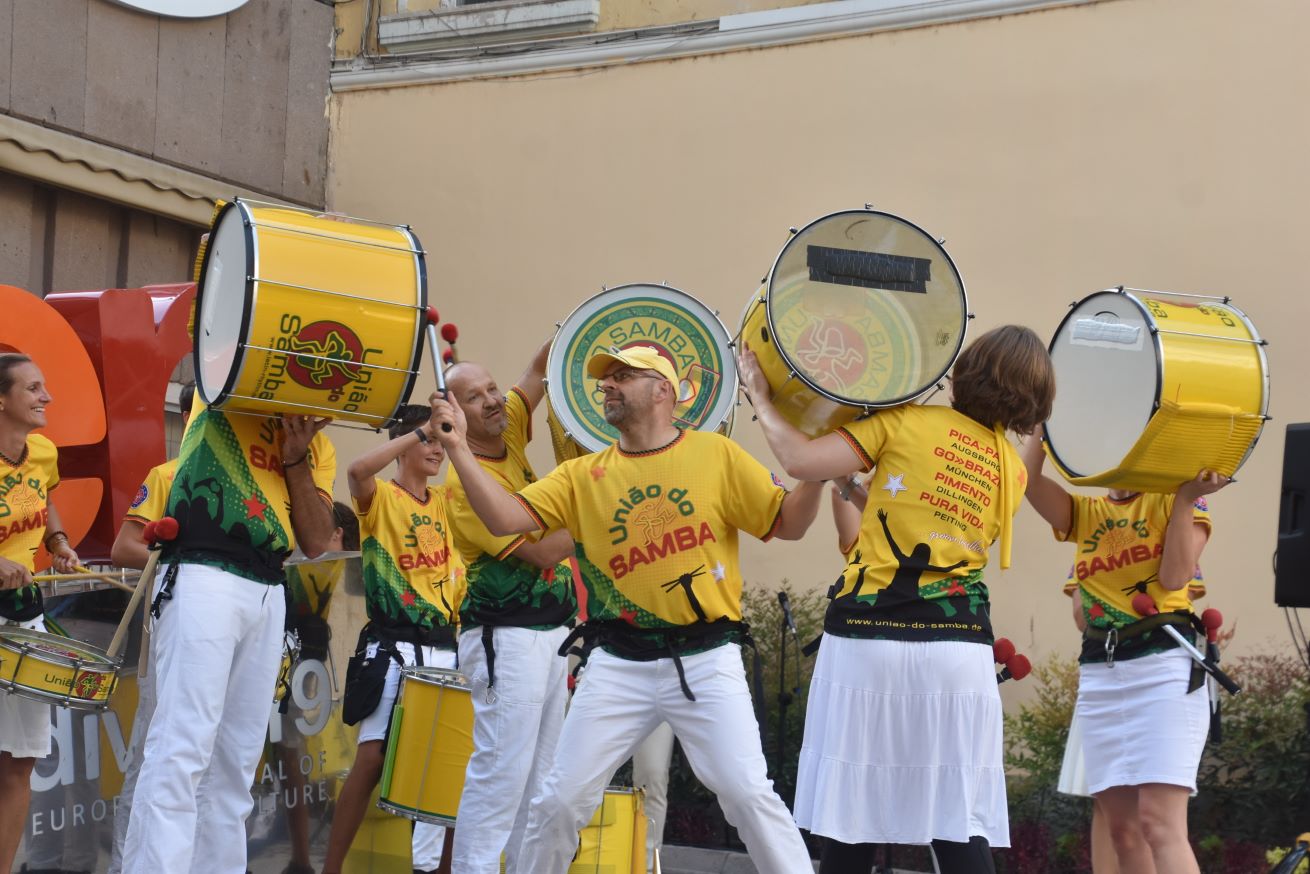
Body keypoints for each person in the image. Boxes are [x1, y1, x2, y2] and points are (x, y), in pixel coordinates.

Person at [430, 344, 824, 874]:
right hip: (616, 663)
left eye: (624, 376)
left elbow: (791, 525)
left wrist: (817, 470)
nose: (608, 386)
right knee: (558, 803)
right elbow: (503, 518)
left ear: (664, 391)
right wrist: (456, 448)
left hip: (706, 657)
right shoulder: (582, 476)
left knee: (748, 795)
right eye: (605, 378)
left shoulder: (717, 455)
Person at [739, 324, 1056, 874]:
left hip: (870, 638)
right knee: (956, 822)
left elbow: (798, 459)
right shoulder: (1010, 467)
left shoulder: (908, 420)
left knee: (851, 812)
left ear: (964, 372)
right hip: (959, 652)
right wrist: (851, 489)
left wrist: (762, 399)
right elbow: (917, 519)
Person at [121, 390, 338, 873]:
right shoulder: (219, 389)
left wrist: (296, 458)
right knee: (182, 746)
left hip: (267, 585)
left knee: (236, 763)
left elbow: (317, 540)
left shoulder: (317, 444)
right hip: (203, 573)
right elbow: (214, 323)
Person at [1020, 427, 1226, 874]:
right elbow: (1027, 479)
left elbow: (1175, 579)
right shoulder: (1087, 510)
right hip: (1101, 673)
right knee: (1123, 832)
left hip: (1164, 668)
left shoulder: (1174, 498)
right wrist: (1044, 418)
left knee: (1160, 824)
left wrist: (1188, 498)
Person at [441, 344, 579, 874]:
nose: (494, 402)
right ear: (455, 415)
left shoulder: (510, 423)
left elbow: (541, 369)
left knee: (543, 780)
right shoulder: (464, 485)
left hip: (551, 635)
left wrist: (582, 324)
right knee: (501, 775)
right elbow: (543, 553)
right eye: (474, 398)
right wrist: (601, 510)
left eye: (492, 388)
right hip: (507, 637)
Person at [321, 404, 466, 874]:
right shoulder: (380, 497)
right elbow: (356, 469)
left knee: (444, 767)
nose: (437, 451)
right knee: (372, 757)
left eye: (442, 444)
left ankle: (441, 868)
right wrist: (419, 431)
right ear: (407, 442)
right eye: (430, 442)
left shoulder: (444, 501)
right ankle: (332, 867)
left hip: (445, 645)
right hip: (394, 647)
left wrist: (452, 428)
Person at [106, 381, 194, 874]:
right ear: (188, 417)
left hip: (226, 636)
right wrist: (193, 565)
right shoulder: (167, 474)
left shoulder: (252, 478)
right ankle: (127, 864)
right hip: (168, 635)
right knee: (152, 755)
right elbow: (124, 548)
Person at [0, 353, 80, 873]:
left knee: (19, 763)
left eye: (44, 386)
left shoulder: (44, 452)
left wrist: (59, 542)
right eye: (32, 388)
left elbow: (45, 499)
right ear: (1, 400)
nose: (46, 397)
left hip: (23, 621)